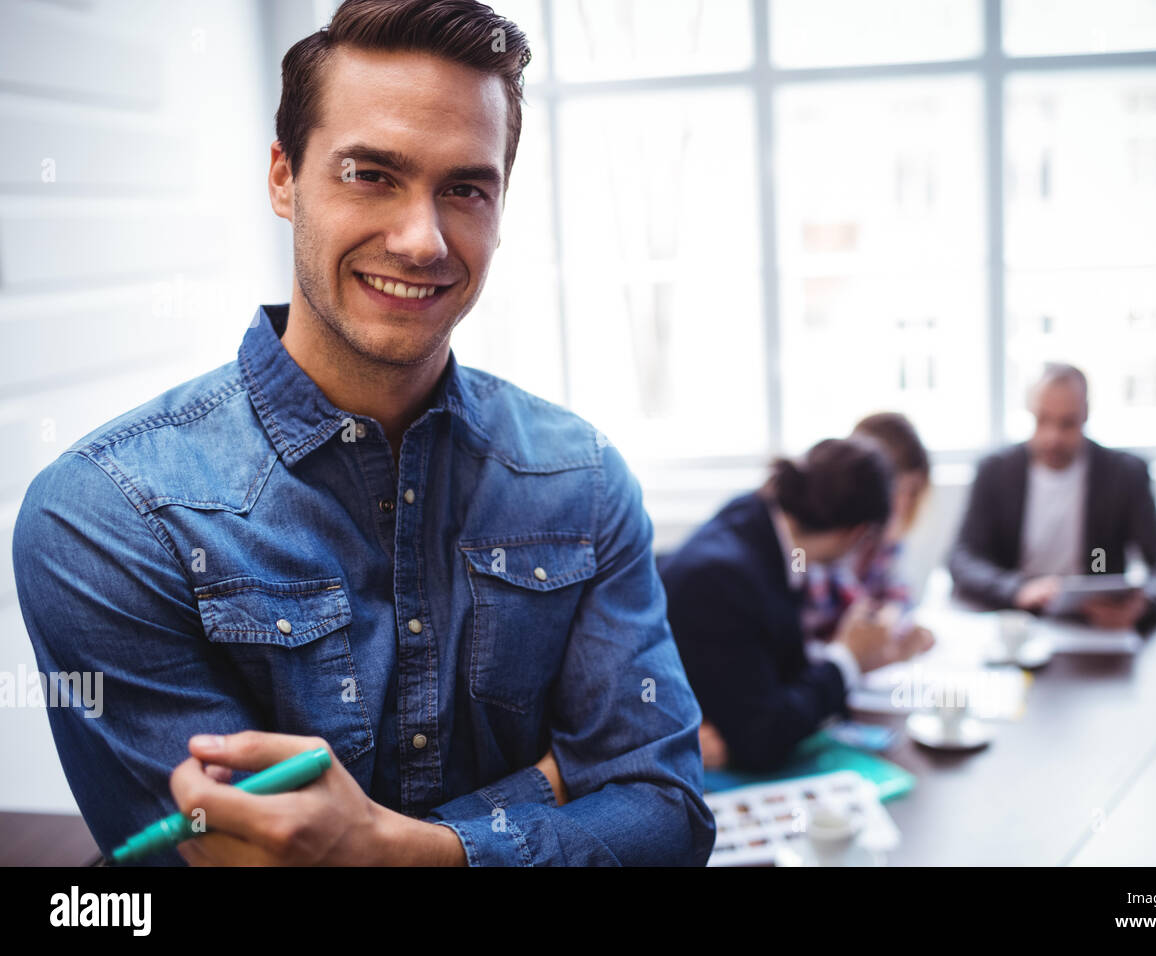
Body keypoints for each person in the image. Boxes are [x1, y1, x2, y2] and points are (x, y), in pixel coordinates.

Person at [12, 0, 713, 867]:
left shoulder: (583, 478)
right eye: (371, 174)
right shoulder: (105, 516)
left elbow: (669, 817)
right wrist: (551, 785)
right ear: (283, 177)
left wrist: (391, 848)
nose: (422, 240)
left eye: (464, 188)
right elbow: (245, 859)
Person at [661, 438, 934, 773]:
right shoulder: (723, 579)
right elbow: (762, 737)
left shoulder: (761, 519)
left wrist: (859, 656)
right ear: (856, 534)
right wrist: (846, 658)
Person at [948, 363, 1156, 633]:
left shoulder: (1124, 475)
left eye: (1067, 423)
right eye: (1043, 420)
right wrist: (1016, 589)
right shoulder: (995, 471)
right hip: (1016, 622)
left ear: (1085, 415)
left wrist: (1144, 603)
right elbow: (962, 557)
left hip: (1095, 625)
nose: (1053, 437)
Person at [801, 412, 933, 642]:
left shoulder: (884, 538)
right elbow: (806, 609)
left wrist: (890, 616)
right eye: (897, 489)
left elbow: (898, 592)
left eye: (912, 492)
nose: (903, 503)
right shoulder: (813, 536)